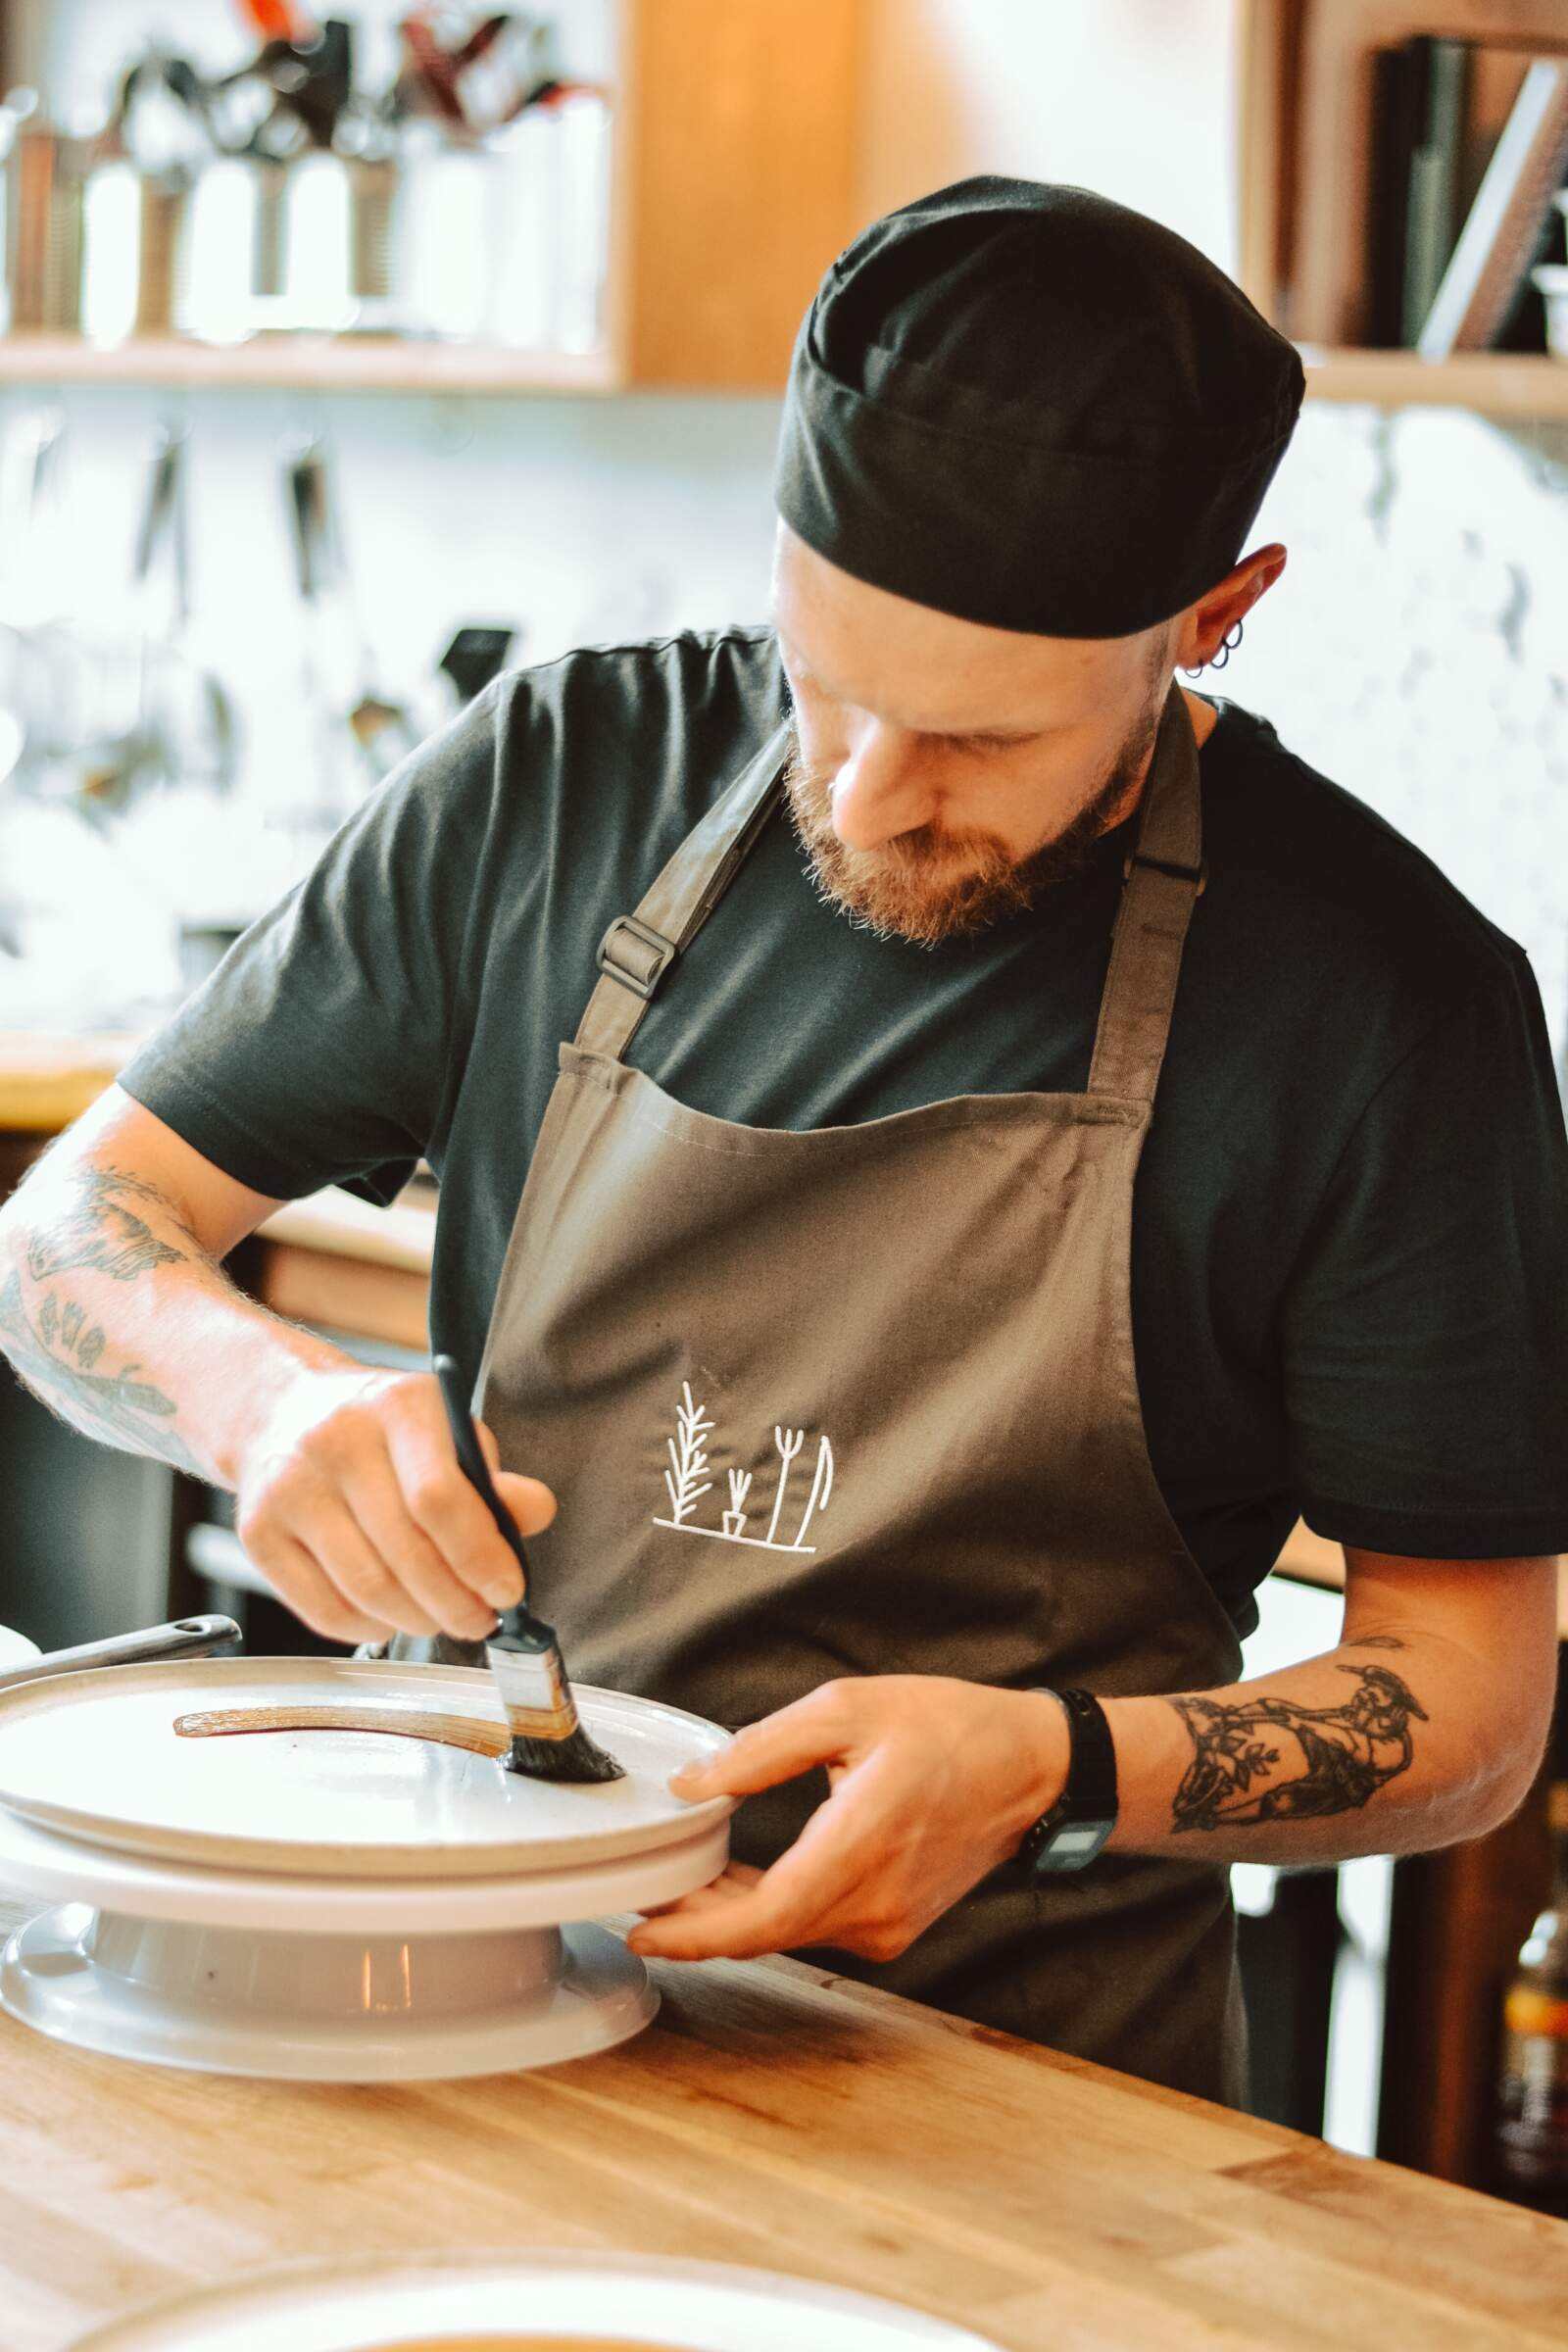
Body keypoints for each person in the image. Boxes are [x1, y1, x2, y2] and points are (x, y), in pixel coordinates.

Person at [3, 179, 1565, 2104]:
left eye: (979, 743)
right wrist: (256, 1401)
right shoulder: (554, 784)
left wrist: (1059, 1769)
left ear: (1215, 616)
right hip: (438, 1985)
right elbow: (75, 1226)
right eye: (822, 686)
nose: (866, 795)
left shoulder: (1387, 1004)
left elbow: (1471, 1705)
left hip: (1011, 2084)